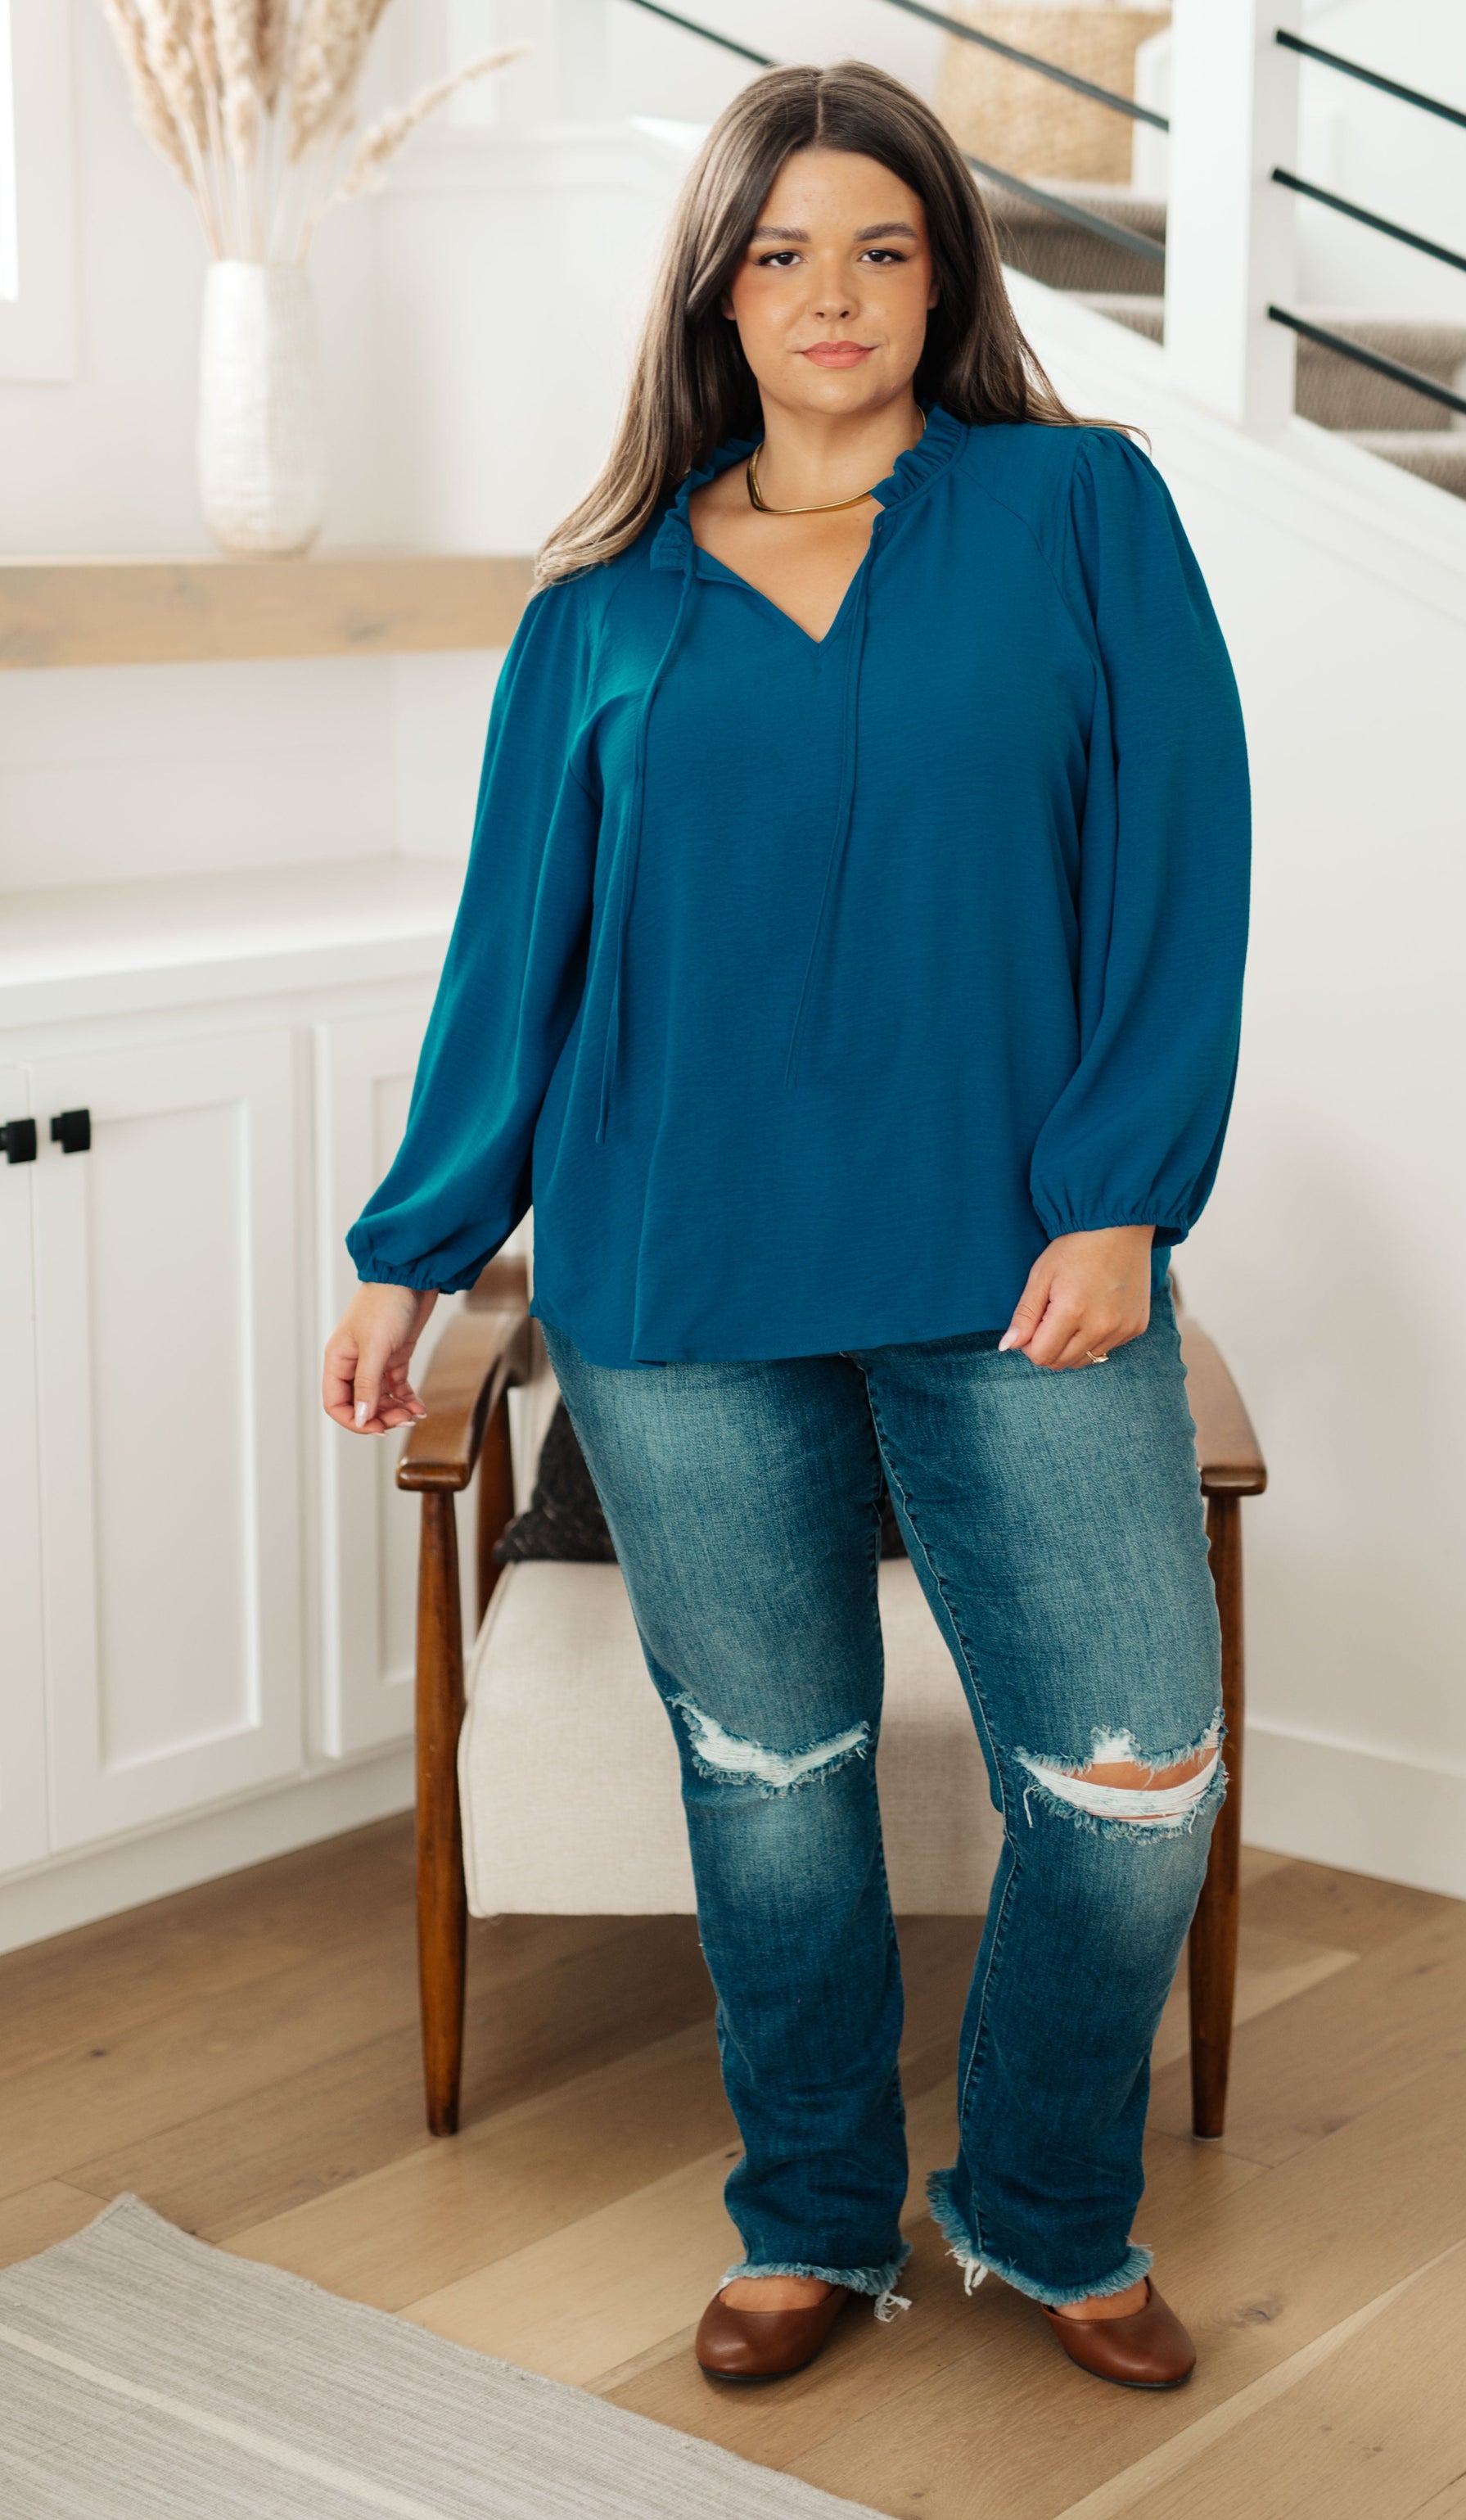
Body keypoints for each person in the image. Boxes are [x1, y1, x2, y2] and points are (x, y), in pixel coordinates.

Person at [323, 59, 1250, 2392]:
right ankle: (817, 2214)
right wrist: (414, 1250)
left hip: (1022, 1267)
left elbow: (1181, 864)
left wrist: (1123, 1199)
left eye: (882, 248)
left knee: (1136, 1781)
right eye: (781, 253)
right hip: (677, 1282)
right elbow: (516, 959)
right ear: (715, 297)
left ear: (944, 279)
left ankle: (1041, 2202)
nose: (832, 294)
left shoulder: (1077, 508)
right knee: (773, 1786)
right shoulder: (597, 614)